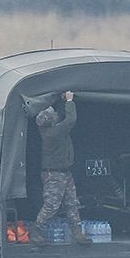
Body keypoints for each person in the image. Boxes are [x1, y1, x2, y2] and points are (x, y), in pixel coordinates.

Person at [31, 91, 91, 247]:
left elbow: (62, 115)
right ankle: (36, 230)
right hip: (54, 174)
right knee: (51, 205)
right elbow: (71, 119)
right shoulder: (53, 133)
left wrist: (62, 100)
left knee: (72, 203)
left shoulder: (51, 130)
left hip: (64, 173)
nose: (56, 115)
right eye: (53, 115)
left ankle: (77, 232)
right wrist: (70, 101)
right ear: (50, 121)